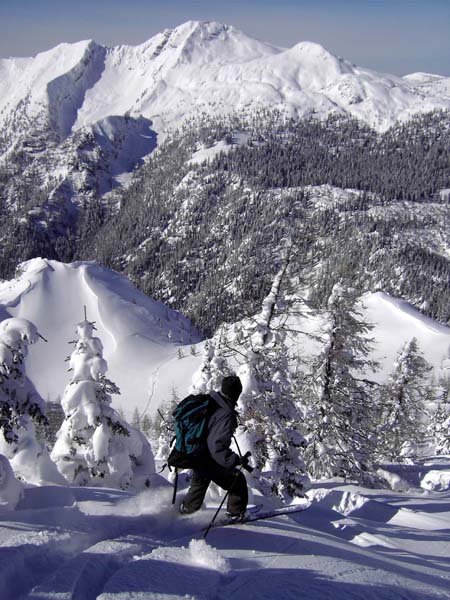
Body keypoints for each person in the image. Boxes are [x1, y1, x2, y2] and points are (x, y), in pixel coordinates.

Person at [179, 374, 249, 517]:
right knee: (237, 480)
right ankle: (235, 515)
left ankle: (184, 515)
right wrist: (234, 460)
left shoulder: (210, 401)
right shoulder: (226, 413)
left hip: (196, 454)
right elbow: (216, 446)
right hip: (207, 457)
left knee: (199, 483)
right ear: (236, 393)